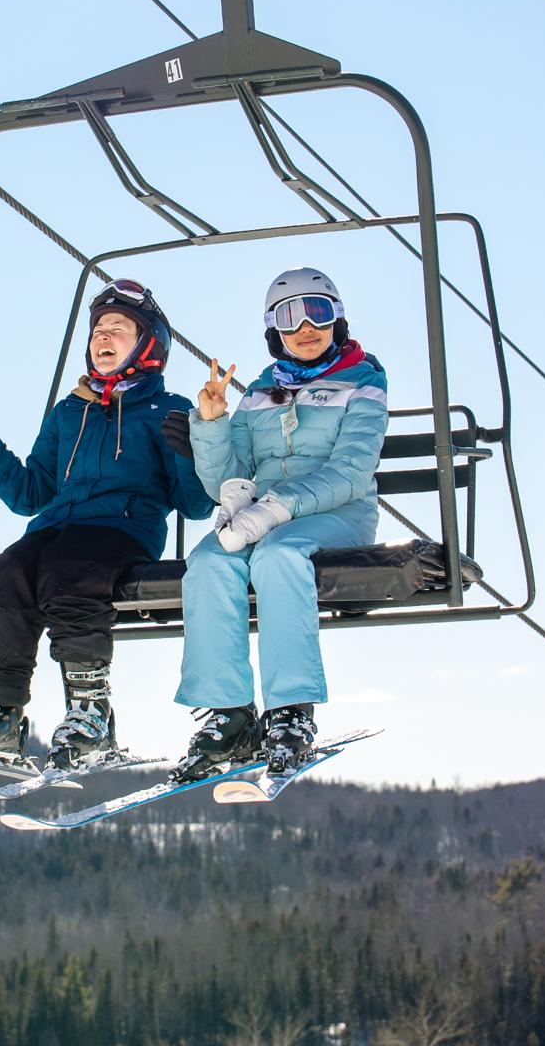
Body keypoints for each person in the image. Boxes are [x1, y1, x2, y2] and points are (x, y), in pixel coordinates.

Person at [0, 280, 213, 771]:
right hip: (57, 528)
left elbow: (195, 504)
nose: (104, 338)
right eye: (98, 330)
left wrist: (193, 451)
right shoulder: (70, 412)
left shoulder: (168, 410)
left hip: (121, 531)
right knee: (6, 573)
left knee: (71, 573)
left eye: (119, 330)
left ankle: (90, 714)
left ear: (149, 345)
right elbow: (29, 494)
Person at [171, 266, 388, 780]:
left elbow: (352, 471)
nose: (305, 327)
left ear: (338, 318)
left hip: (336, 514)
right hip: (262, 516)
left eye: (318, 311)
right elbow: (228, 478)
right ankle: (229, 715)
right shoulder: (260, 391)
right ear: (274, 330)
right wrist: (211, 424)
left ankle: (290, 712)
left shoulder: (364, 380)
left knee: (279, 556)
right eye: (290, 317)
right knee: (207, 561)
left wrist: (276, 508)